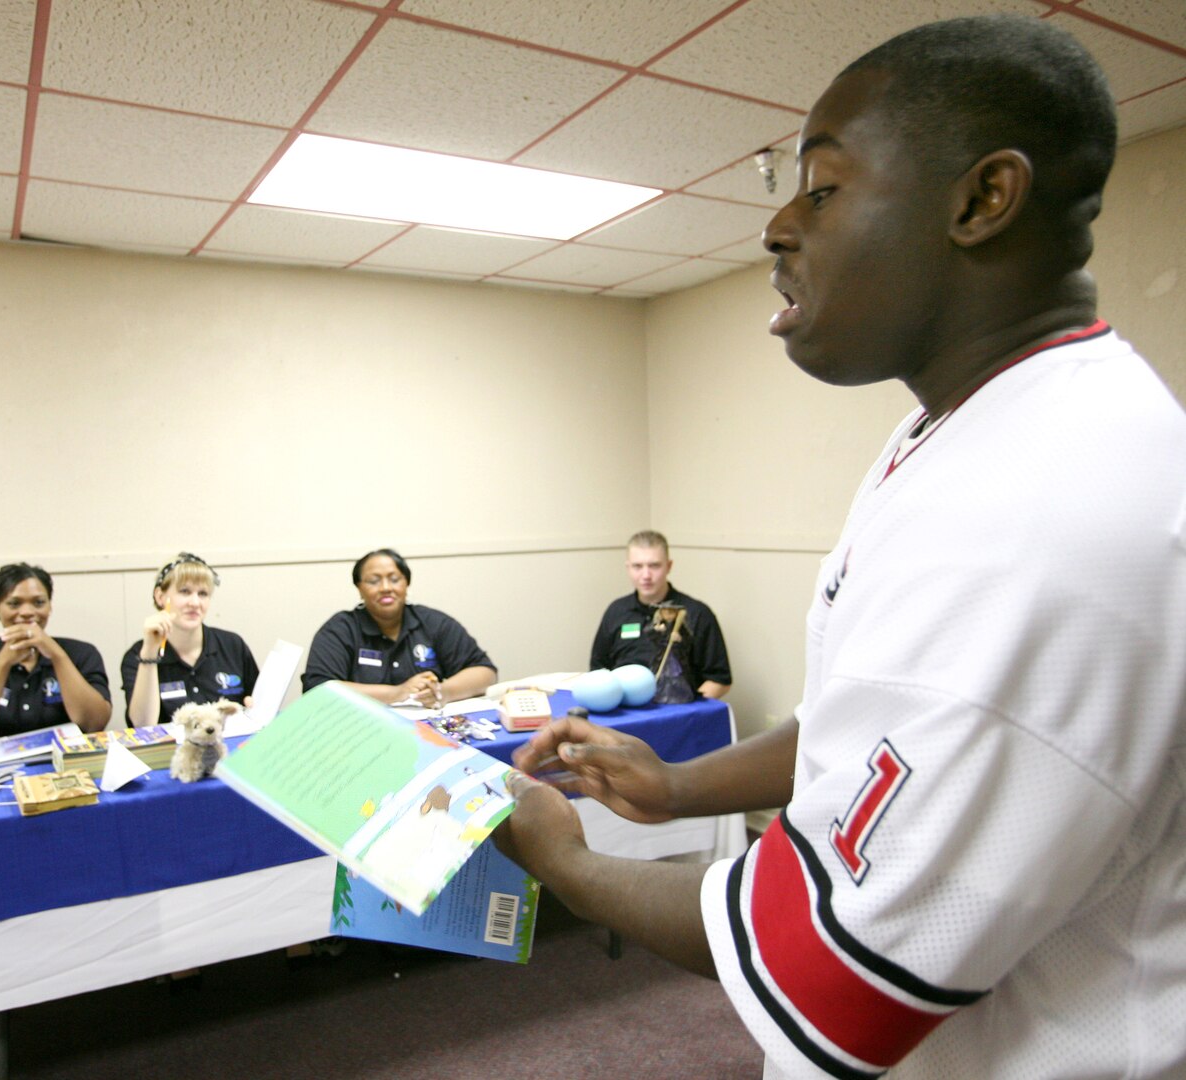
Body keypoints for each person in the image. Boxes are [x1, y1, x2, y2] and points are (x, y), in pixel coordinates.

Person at [495, 15, 1186, 1080]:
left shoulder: (1046, 515)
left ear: (979, 200)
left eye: (821, 187)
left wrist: (562, 859)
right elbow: (873, 714)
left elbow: (830, 973)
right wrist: (680, 788)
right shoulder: (966, 426)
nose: (777, 225)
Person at [0, 563, 111, 746]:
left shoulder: (81, 653)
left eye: (39, 603)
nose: (27, 612)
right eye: (14, 603)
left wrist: (57, 656)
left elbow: (94, 724)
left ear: (50, 606)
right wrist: (3, 662)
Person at [302, 549, 497, 705]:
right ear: (359, 588)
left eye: (394, 579)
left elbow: (485, 672)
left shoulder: (433, 622)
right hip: (360, 732)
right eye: (373, 581)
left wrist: (442, 692)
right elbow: (318, 688)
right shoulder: (341, 629)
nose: (386, 587)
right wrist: (396, 693)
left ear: (407, 583)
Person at [590, 530, 731, 699]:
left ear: (669, 566)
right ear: (628, 567)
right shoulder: (616, 612)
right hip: (622, 713)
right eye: (638, 566)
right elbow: (598, 672)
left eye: (654, 566)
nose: (646, 575)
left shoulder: (697, 614)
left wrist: (687, 712)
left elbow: (720, 680)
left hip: (679, 712)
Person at [122, 553, 259, 727]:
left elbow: (257, 702)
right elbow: (142, 724)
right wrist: (149, 652)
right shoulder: (138, 655)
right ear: (160, 596)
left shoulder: (232, 645)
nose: (195, 602)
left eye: (203, 593)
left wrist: (253, 706)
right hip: (172, 753)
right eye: (184, 591)